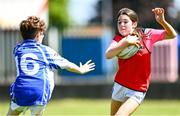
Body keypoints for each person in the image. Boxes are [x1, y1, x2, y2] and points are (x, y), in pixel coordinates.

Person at [7, 16, 95, 116]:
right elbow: (66, 65)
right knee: (49, 71)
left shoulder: (17, 49)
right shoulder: (45, 51)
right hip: (39, 93)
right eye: (42, 34)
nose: (43, 36)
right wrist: (80, 69)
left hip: (20, 91)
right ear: (37, 35)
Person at [105, 8, 177, 116]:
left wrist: (162, 21)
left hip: (137, 89)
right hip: (120, 85)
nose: (122, 25)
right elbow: (108, 54)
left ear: (134, 24)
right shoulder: (118, 39)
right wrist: (125, 43)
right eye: (119, 22)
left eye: (125, 22)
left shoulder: (147, 34)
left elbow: (172, 35)